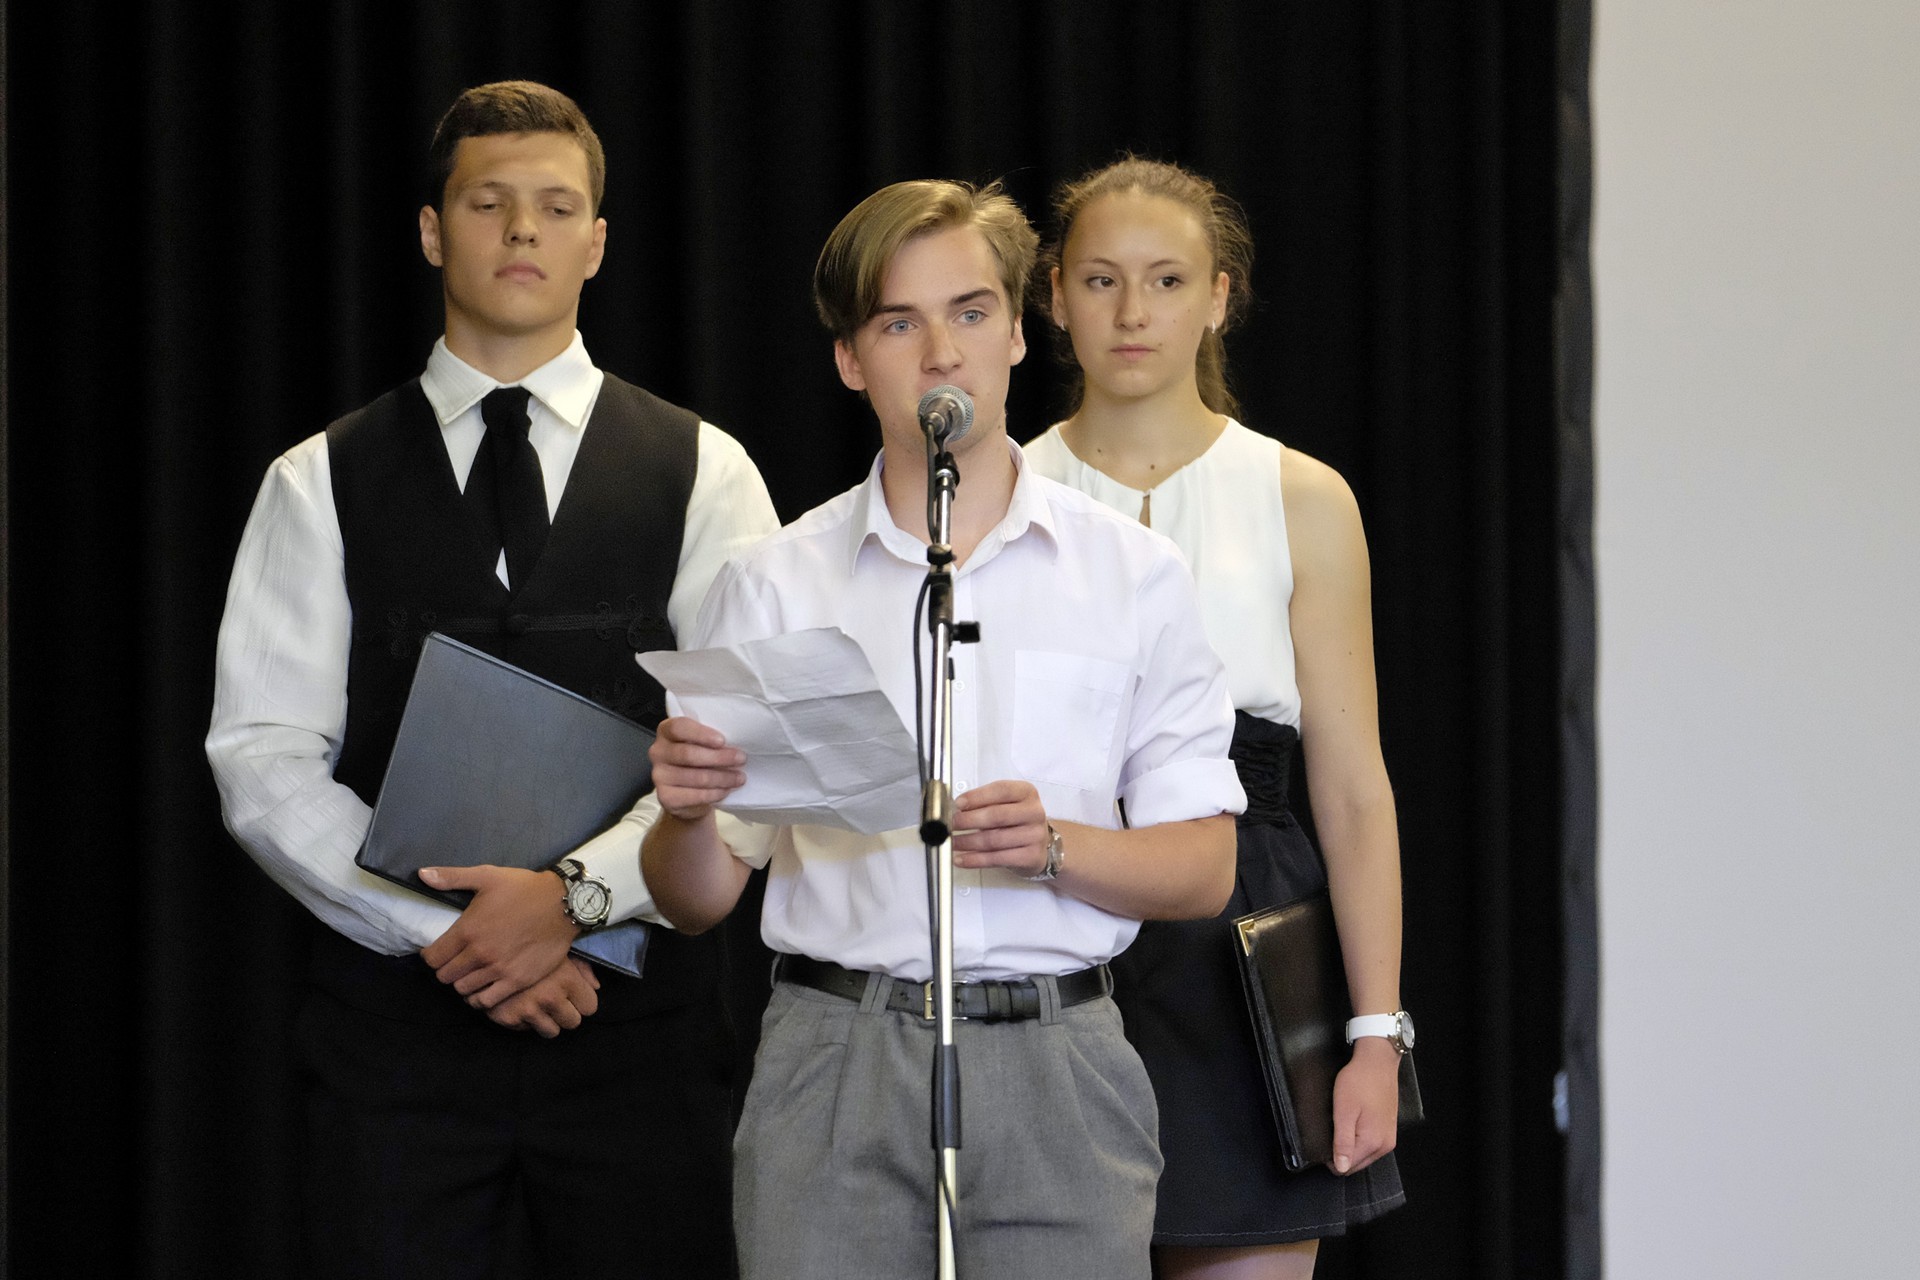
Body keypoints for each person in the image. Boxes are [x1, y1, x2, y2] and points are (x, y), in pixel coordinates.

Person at [205, 81, 778, 1279]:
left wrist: (572, 899)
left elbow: (746, 749)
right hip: (391, 1046)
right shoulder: (317, 477)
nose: (523, 229)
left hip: (642, 1039)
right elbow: (262, 758)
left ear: (596, 242)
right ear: (432, 231)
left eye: (556, 206)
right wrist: (455, 934)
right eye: (488, 202)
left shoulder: (706, 469)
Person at [634, 178, 1246, 1280]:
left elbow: (1206, 867)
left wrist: (1055, 846)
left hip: (1058, 1058)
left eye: (970, 312)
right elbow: (699, 896)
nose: (942, 353)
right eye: (897, 323)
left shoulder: (1133, 574)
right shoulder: (776, 581)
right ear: (849, 359)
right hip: (836, 1053)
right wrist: (681, 815)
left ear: (1017, 331)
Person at [1024, 156, 1410, 1279]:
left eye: (1167, 280)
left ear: (1219, 298)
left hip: (1250, 933)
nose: (1133, 312)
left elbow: (1353, 785)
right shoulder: (1007, 491)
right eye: (1100, 280)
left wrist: (1375, 1030)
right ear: (1054, 297)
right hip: (1055, 914)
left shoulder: (1301, 495)